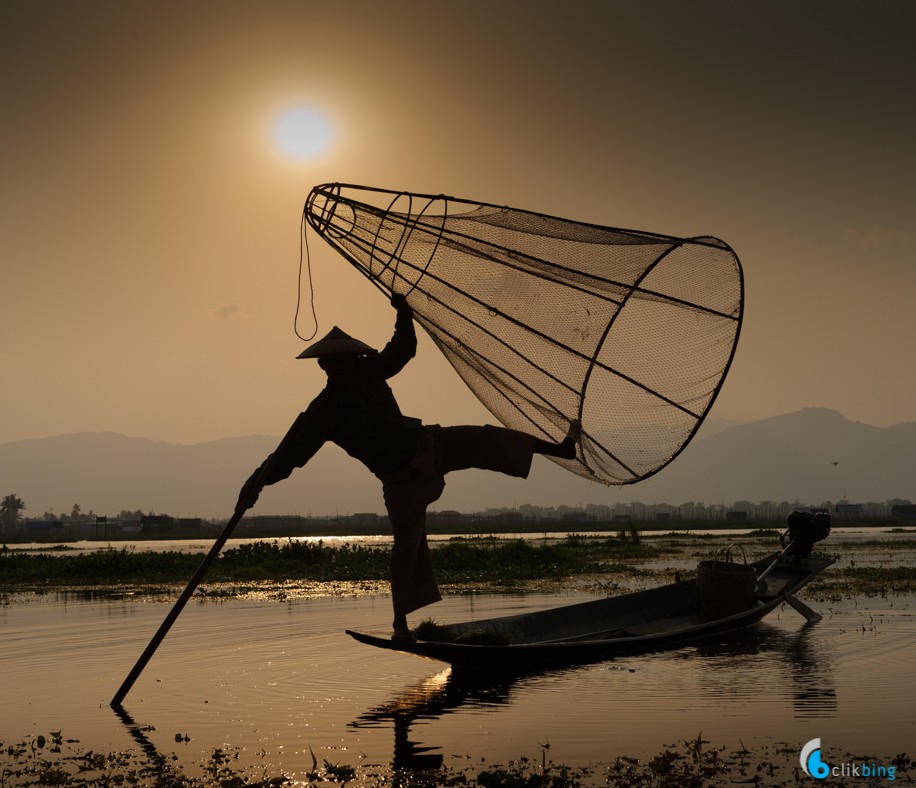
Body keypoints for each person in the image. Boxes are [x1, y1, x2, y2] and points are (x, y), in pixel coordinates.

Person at [237, 294, 579, 641]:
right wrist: (255, 484)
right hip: (400, 480)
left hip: (426, 445)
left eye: (346, 361)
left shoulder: (370, 372)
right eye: (333, 363)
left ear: (354, 360)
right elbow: (287, 455)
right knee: (406, 547)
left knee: (486, 439)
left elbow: (402, 350)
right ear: (323, 366)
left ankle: (561, 449)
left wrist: (403, 313)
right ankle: (400, 626)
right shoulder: (323, 413)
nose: (342, 368)